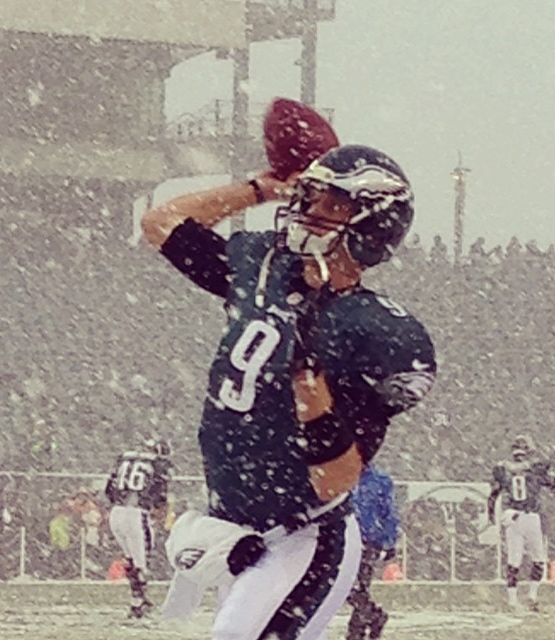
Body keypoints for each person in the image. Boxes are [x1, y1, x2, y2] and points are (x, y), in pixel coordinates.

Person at [141, 144, 436, 639]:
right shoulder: (263, 268)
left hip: (304, 535)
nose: (312, 211)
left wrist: (308, 381)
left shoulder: (381, 332)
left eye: (335, 204)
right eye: (312, 197)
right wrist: (258, 190)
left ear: (373, 225)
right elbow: (161, 223)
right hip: (236, 527)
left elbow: (336, 479)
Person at [105, 438, 173, 618]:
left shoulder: (125, 460)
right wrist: (157, 508)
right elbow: (160, 497)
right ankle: (138, 603)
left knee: (130, 559)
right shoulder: (156, 464)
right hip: (135, 514)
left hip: (116, 513)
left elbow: (109, 490)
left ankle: (139, 599)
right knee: (141, 561)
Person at [488, 433, 555, 612]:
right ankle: (532, 596)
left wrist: (491, 513)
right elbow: (551, 483)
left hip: (511, 516)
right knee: (539, 559)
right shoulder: (535, 468)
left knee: (513, 561)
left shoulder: (503, 468)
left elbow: (494, 494)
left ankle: (512, 599)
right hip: (530, 516)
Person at [345, 465, 399, 640]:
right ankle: (372, 617)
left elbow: (388, 513)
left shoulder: (379, 480)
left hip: (368, 541)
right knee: (346, 586)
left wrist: (389, 542)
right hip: (345, 538)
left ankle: (357, 630)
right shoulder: (343, 476)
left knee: (359, 586)